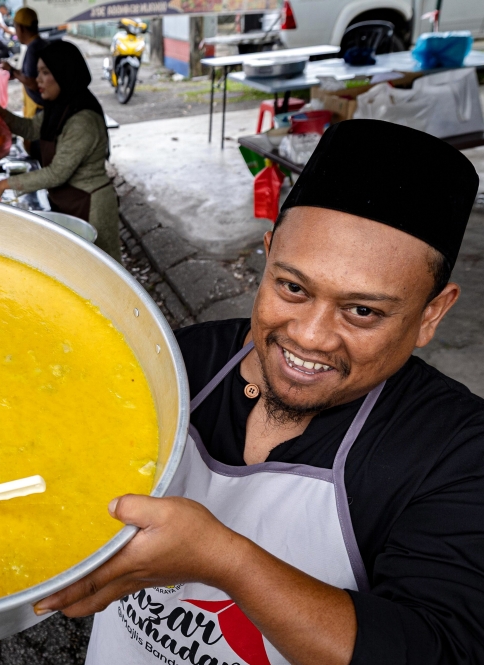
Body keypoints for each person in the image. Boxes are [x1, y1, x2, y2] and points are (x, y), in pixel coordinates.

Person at [35, 120, 484, 664]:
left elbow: (441, 650)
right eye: (292, 287)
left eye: (362, 311)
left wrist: (225, 561)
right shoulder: (178, 362)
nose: (310, 336)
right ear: (267, 255)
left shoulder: (457, 451)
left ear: (431, 314)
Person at [0, 40, 119, 260]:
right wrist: (2, 113)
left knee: (100, 274)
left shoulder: (83, 118)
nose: (37, 80)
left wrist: (3, 184)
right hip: (69, 201)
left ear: (63, 73)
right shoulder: (59, 105)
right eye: (38, 72)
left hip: (91, 206)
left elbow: (57, 173)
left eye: (44, 73)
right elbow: (32, 128)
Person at [0, 7, 45, 116]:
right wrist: (15, 73)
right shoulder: (40, 43)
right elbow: (31, 72)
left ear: (20, 28)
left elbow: (33, 83)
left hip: (38, 108)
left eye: (15, 27)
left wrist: (11, 70)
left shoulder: (33, 49)